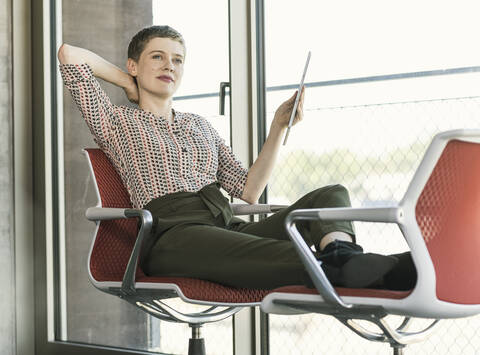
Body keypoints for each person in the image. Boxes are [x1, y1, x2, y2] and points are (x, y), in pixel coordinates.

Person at [58, 25, 415, 290]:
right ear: (134, 64)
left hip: (226, 226)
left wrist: (277, 128)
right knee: (288, 257)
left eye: (178, 60)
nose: (170, 65)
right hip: (173, 236)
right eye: (158, 57)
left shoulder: (199, 125)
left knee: (331, 195)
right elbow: (70, 55)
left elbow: (249, 190)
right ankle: (372, 270)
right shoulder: (116, 121)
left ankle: (343, 258)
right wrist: (127, 82)